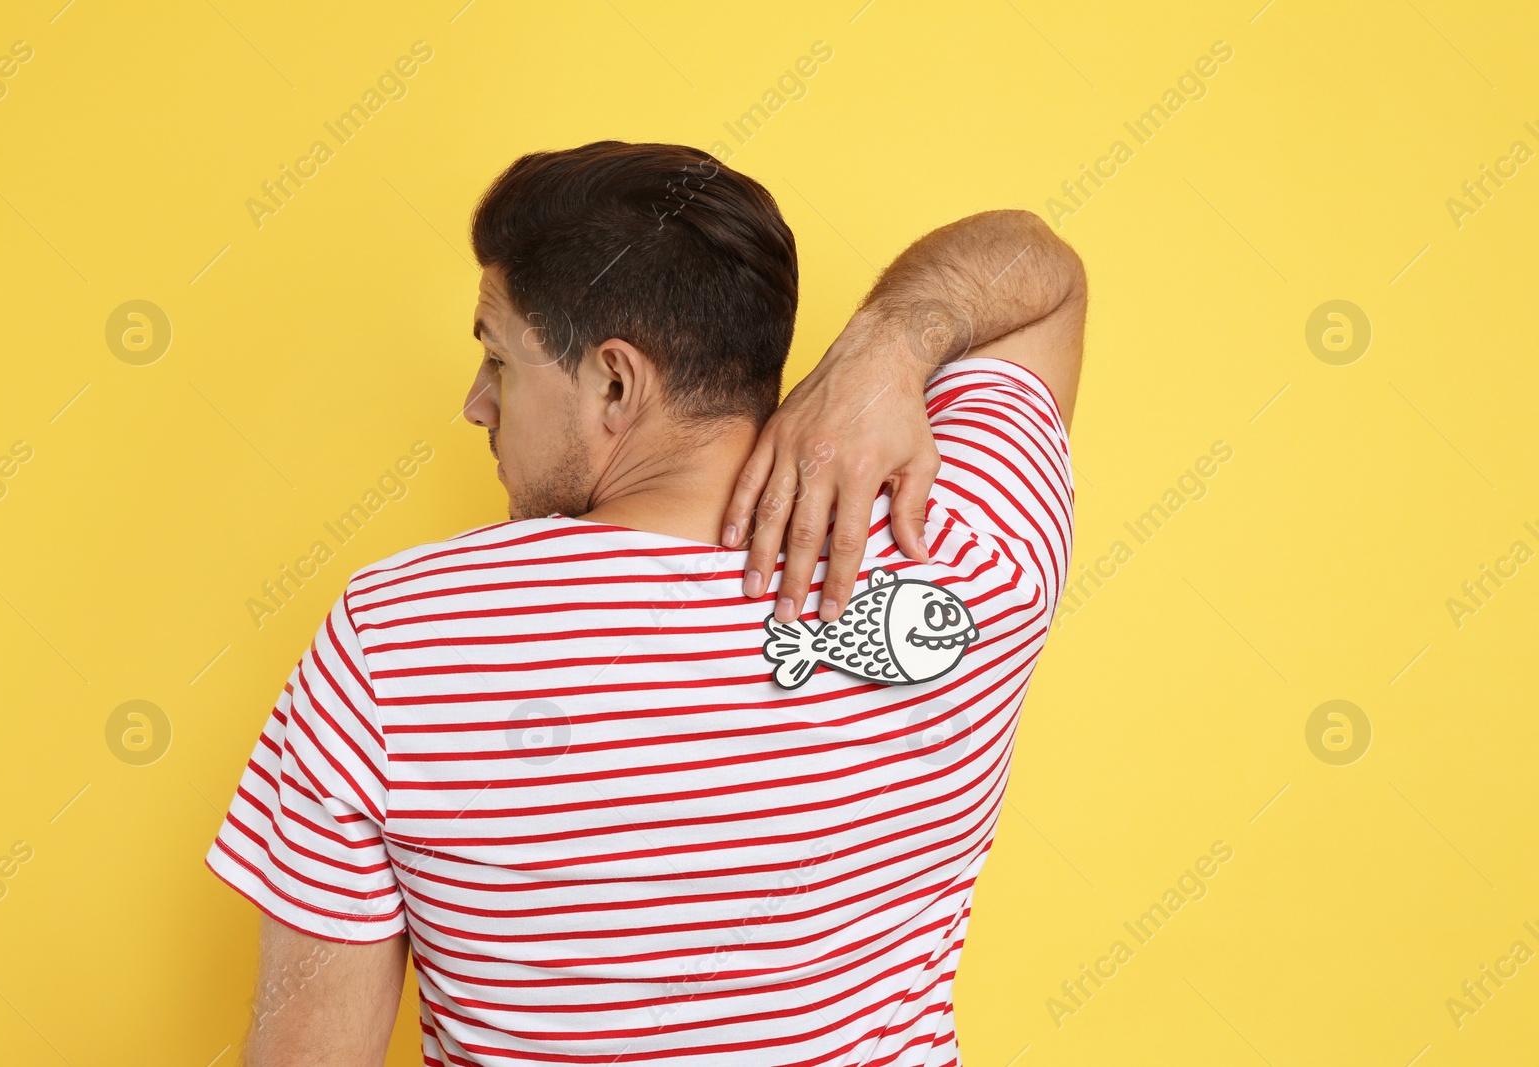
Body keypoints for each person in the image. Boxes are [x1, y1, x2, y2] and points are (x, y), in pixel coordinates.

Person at [204, 140, 1086, 1066]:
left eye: (499, 360)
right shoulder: (965, 556)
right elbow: (1041, 270)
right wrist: (887, 347)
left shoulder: (398, 642)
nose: (475, 403)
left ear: (617, 383)